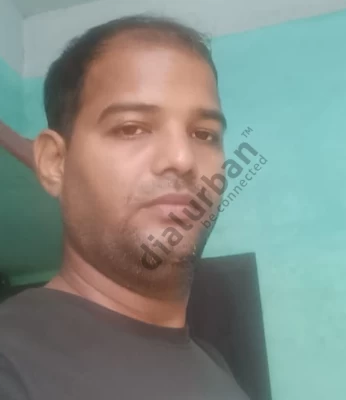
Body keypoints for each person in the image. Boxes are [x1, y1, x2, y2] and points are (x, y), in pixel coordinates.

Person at [0, 15, 250, 400]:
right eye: (131, 128)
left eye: (204, 134)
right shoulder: (12, 361)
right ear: (55, 163)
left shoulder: (214, 365)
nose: (182, 158)